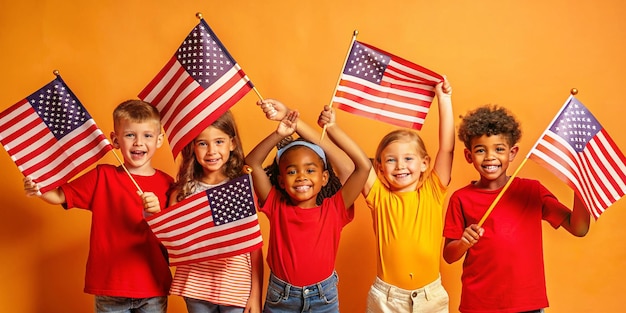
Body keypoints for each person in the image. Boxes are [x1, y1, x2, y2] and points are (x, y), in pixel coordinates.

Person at [23, 99, 173, 313]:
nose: (139, 143)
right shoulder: (103, 176)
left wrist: (156, 214)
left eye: (147, 135)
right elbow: (59, 195)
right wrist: (39, 188)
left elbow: (175, 238)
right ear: (115, 139)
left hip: (153, 287)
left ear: (159, 140)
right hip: (109, 287)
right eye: (130, 135)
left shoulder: (169, 185)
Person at [442, 104, 591, 313]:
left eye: (499, 149)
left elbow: (579, 228)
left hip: (527, 304)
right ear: (469, 156)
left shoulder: (531, 191)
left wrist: (581, 187)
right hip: (479, 305)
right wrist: (463, 242)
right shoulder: (461, 198)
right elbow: (449, 256)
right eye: (480, 150)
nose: (490, 157)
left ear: (512, 153)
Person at [245, 104, 371, 312]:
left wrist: (333, 128)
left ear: (324, 178)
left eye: (310, 170)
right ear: (281, 180)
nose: (302, 176)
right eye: (292, 171)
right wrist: (279, 133)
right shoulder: (275, 204)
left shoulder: (335, 208)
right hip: (281, 297)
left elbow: (363, 166)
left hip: (324, 297)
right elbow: (252, 163)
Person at [358, 77, 453, 313]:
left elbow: (447, 148)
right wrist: (331, 127)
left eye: (408, 158)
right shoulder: (379, 195)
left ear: (424, 163)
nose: (400, 166)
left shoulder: (433, 191)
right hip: (387, 299)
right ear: (380, 168)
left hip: (431, 298)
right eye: (391, 160)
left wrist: (444, 99)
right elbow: (356, 163)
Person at [167, 110, 263, 313]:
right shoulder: (183, 191)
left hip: (236, 286)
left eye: (219, 141)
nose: (211, 151)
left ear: (232, 144)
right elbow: (173, 243)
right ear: (193, 147)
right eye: (202, 143)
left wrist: (256, 294)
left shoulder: (242, 187)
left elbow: (254, 246)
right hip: (196, 286)